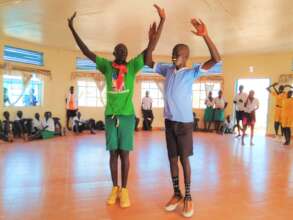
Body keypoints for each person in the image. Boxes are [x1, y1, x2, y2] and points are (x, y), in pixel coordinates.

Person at [68, 4, 165, 208]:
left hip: (127, 117)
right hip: (111, 116)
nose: (121, 51)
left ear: (127, 54)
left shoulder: (131, 67)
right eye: (118, 49)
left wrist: (160, 25)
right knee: (113, 153)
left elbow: (150, 49)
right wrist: (72, 28)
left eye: (124, 50)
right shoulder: (105, 66)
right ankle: (114, 188)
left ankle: (125, 190)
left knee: (124, 154)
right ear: (114, 52)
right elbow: (86, 51)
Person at [148, 18, 221, 217]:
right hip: (169, 122)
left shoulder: (192, 72)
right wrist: (151, 41)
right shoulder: (167, 70)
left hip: (185, 124)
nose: (173, 57)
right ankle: (177, 193)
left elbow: (216, 59)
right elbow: (148, 60)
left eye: (177, 55)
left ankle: (188, 196)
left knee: (184, 160)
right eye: (172, 54)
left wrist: (205, 35)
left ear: (185, 57)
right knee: (172, 159)